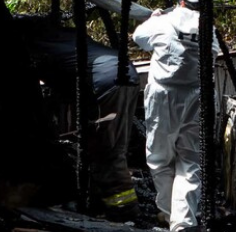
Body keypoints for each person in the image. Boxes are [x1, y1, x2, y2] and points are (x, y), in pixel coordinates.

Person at [14, 17, 141, 216]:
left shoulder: (32, 46)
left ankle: (124, 209)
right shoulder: (62, 36)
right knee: (106, 145)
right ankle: (101, 202)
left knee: (107, 149)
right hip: (124, 74)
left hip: (106, 81)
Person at [132, 0, 220, 232]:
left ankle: (168, 212)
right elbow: (212, 54)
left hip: (164, 97)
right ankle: (182, 223)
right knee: (190, 161)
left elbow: (139, 37)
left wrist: (156, 17)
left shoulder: (162, 22)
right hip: (197, 97)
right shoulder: (208, 27)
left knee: (159, 159)